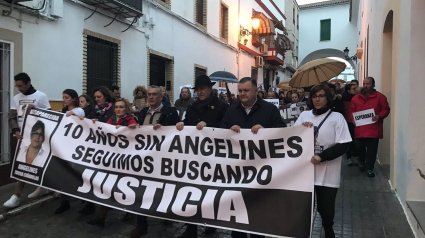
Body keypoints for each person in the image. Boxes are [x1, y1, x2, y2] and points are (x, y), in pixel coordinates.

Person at [221, 77, 286, 238]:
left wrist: (266, 130)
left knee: (258, 217)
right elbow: (220, 131)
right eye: (240, 90)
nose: (242, 93)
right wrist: (229, 130)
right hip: (237, 172)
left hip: (261, 172)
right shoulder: (231, 109)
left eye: (246, 90)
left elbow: (283, 132)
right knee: (237, 218)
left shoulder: (269, 110)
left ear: (256, 90)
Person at [295, 84, 352, 238]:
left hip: (328, 175)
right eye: (314, 96)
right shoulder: (304, 116)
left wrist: (322, 156)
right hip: (305, 175)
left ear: (328, 98)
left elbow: (344, 144)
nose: (317, 99)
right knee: (304, 211)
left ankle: (328, 231)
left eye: (321, 96)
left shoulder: (337, 117)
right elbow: (292, 141)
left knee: (326, 211)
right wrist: (301, 129)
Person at [176, 75, 229, 238]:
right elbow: (187, 125)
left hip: (214, 157)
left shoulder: (222, 106)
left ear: (210, 88)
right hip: (195, 156)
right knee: (193, 191)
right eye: (198, 89)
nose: (200, 92)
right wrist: (181, 125)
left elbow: (227, 127)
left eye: (203, 89)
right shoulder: (192, 107)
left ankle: (210, 223)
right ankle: (191, 228)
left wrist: (210, 126)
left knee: (210, 192)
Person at [131, 85, 180, 238]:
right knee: (141, 188)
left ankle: (166, 215)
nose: (151, 97)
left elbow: (177, 132)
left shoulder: (170, 112)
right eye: (149, 95)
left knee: (162, 188)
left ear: (161, 97)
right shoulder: (143, 112)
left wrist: (164, 128)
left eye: (154, 95)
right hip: (144, 158)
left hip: (162, 157)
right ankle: (141, 223)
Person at [88, 98, 137, 228]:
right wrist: (94, 124)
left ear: (126, 109)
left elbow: (136, 136)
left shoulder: (131, 121)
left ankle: (131, 212)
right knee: (107, 187)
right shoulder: (112, 120)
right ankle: (101, 217)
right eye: (116, 107)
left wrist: (128, 129)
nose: (118, 110)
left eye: (121, 107)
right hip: (112, 160)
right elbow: (104, 129)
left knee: (125, 189)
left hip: (126, 161)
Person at [4, 73, 51, 208]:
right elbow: (12, 117)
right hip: (21, 136)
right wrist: (15, 130)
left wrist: (35, 110)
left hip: (37, 136)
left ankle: (42, 186)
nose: (19, 88)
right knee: (21, 164)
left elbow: (49, 116)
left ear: (29, 83)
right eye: (17, 86)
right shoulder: (16, 98)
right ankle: (16, 195)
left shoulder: (41, 96)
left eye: (21, 85)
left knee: (37, 162)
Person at [350, 77, 390, 177]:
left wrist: (379, 116)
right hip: (360, 129)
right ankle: (361, 161)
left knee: (372, 151)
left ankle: (369, 168)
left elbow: (386, 109)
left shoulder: (380, 97)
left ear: (373, 85)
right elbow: (352, 111)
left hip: (374, 129)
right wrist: (353, 119)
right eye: (364, 83)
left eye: (368, 84)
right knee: (360, 148)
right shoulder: (356, 98)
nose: (365, 86)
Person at [342, 83, 358, 166]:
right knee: (349, 140)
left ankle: (355, 156)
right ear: (348, 90)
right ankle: (349, 157)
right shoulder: (343, 99)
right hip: (347, 122)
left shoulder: (357, 98)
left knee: (356, 140)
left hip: (356, 121)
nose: (355, 90)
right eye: (353, 89)